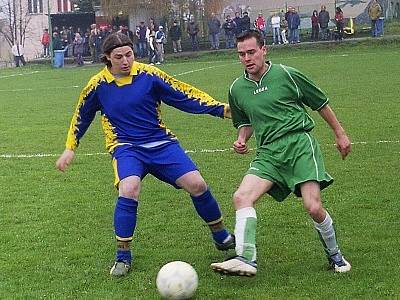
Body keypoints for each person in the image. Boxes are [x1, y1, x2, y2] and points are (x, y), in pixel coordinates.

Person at [55, 32, 235, 277]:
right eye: (118, 57)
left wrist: (221, 110)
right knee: (128, 189)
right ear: (107, 58)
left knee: (197, 184)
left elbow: (183, 94)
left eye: (129, 54)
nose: (126, 61)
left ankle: (221, 235)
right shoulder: (97, 85)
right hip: (126, 147)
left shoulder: (149, 75)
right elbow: (81, 116)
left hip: (161, 143)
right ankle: (122, 256)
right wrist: (70, 147)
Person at [210, 29, 352, 276]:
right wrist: (241, 139)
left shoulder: (287, 74)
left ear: (264, 50)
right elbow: (245, 122)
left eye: (252, 52)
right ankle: (246, 258)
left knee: (313, 207)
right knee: (241, 197)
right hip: (268, 153)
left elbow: (320, 103)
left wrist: (340, 134)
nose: (247, 58)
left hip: (299, 145)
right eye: (241, 54)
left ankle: (335, 255)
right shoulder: (236, 89)